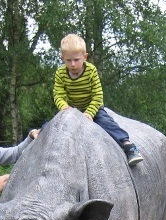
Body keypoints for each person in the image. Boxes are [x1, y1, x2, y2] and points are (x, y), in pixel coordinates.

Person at [48, 33, 143, 167]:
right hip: (71, 110)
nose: (73, 64)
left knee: (107, 123)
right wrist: (64, 107)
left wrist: (89, 113)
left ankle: (128, 146)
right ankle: (32, 149)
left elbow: (98, 96)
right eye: (68, 60)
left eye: (76, 59)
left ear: (85, 57)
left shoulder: (91, 70)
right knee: (49, 126)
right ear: (62, 58)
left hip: (93, 108)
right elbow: (58, 94)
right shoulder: (60, 73)